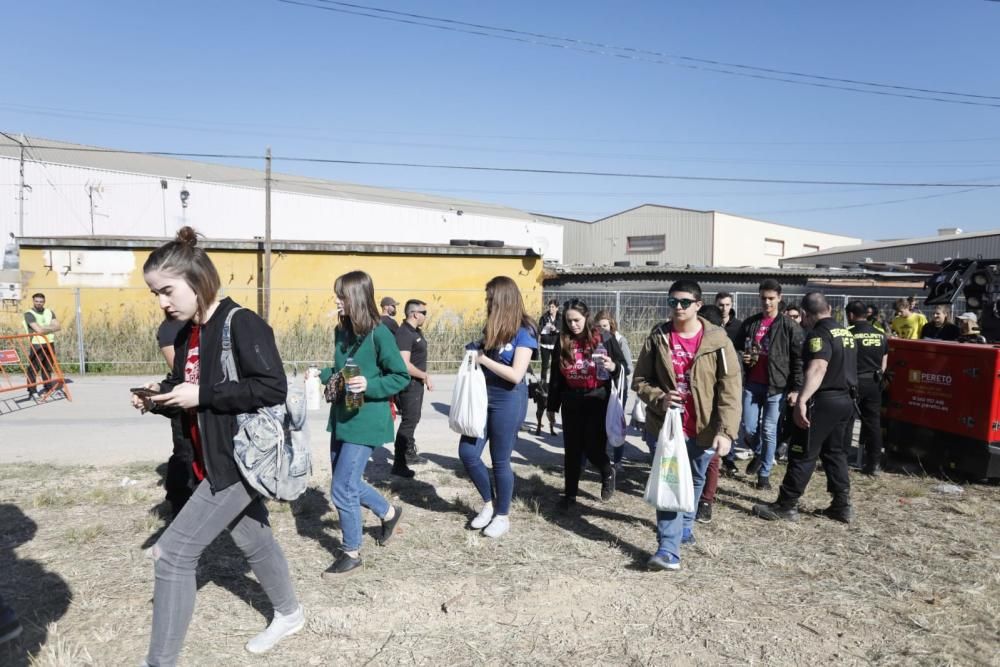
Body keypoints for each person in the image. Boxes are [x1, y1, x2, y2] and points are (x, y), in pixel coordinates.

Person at [132, 227, 303, 664]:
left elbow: (272, 388)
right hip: (209, 461)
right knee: (253, 538)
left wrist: (202, 395)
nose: (161, 302)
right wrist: (157, 396)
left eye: (166, 291)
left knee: (172, 555)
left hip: (239, 462)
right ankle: (290, 614)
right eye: (155, 294)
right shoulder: (190, 331)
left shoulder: (241, 323)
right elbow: (186, 387)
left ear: (197, 280)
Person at [633, 280, 741, 571]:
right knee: (671, 484)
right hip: (667, 427)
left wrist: (727, 431)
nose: (677, 308)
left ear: (697, 304)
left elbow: (730, 390)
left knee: (694, 480)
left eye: (683, 302)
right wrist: (659, 398)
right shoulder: (658, 336)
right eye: (672, 302)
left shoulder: (718, 341)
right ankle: (668, 550)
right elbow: (639, 380)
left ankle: (685, 528)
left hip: (704, 427)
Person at [321, 271, 409, 574]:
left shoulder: (380, 334)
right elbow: (338, 368)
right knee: (347, 483)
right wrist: (319, 375)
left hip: (367, 421)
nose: (336, 301)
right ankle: (388, 512)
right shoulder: (342, 331)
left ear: (356, 297)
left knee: (342, 487)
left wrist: (368, 385)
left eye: (341, 296)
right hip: (342, 417)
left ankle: (352, 551)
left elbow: (400, 376)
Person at [753, 292, 858, 524]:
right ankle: (842, 504)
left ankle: (786, 505)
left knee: (802, 452)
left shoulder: (818, 335)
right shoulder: (844, 332)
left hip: (823, 401)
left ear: (804, 314)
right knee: (835, 453)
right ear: (829, 308)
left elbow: (818, 367)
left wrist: (802, 400)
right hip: (845, 399)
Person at [458, 276, 538, 538]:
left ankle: (502, 516)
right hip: (483, 397)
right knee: (468, 453)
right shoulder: (491, 328)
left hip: (509, 400)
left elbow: (516, 375)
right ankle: (488, 504)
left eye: (490, 297)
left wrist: (483, 359)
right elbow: (482, 356)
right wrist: (476, 350)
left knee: (500, 460)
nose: (487, 302)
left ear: (502, 299)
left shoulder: (524, 332)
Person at [548, 301, 627, 506]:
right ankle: (570, 494)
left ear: (586, 318)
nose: (573, 324)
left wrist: (613, 367)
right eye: (569, 321)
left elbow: (623, 366)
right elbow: (556, 376)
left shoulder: (604, 337)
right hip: (571, 399)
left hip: (597, 398)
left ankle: (607, 470)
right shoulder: (563, 340)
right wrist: (551, 406)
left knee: (593, 447)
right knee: (572, 449)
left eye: (577, 320)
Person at [731, 279, 804, 489]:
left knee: (769, 430)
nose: (767, 303)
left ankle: (764, 475)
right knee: (749, 428)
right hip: (753, 383)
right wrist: (743, 357)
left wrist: (796, 389)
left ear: (779, 298)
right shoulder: (751, 323)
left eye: (771, 298)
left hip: (777, 386)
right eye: (763, 298)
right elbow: (735, 348)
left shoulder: (790, 327)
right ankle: (762, 452)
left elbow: (799, 360)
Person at [157, 315, 195, 516]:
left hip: (201, 397)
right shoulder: (170, 328)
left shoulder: (201, 322)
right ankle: (179, 505)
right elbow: (180, 370)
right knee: (184, 454)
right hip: (184, 397)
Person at [846, 300, 888, 476]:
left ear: (850, 315)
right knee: (873, 424)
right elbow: (884, 363)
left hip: (853, 382)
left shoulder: (848, 333)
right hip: (874, 382)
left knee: (846, 422)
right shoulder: (880, 334)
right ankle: (874, 464)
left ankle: (841, 460)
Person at [391, 299, 431, 478]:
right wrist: (424, 376)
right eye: (424, 313)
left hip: (416, 384)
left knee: (413, 419)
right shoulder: (404, 333)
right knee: (408, 421)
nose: (425, 316)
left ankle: (409, 453)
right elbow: (404, 364)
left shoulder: (414, 331)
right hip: (409, 384)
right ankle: (399, 464)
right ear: (414, 314)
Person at [693, 304, 723, 524]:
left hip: (713, 414)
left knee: (712, 459)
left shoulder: (721, 345)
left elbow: (730, 386)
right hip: (690, 415)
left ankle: (706, 500)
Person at [595, 309, 633, 472]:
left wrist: (613, 367)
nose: (602, 330)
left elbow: (628, 367)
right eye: (599, 326)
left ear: (611, 325)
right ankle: (600, 459)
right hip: (601, 388)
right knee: (600, 425)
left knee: (616, 423)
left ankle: (618, 461)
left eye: (605, 326)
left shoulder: (619, 340)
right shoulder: (596, 340)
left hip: (618, 388)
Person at [22, 292, 62, 399]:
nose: (39, 303)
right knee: (34, 368)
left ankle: (48, 387)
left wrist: (45, 329)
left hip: (49, 342)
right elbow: (38, 330)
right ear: (33, 301)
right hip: (37, 344)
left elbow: (58, 326)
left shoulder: (49, 312)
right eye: (36, 301)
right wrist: (50, 328)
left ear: (44, 302)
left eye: (41, 301)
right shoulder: (29, 314)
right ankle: (32, 391)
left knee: (48, 367)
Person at [538, 299, 560, 394]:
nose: (551, 309)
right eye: (550, 306)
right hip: (545, 344)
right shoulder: (544, 317)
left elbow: (562, 329)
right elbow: (539, 329)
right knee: (544, 365)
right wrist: (544, 327)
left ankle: (554, 385)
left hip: (555, 345)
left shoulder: (560, 317)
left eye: (553, 307)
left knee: (555, 365)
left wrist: (555, 329)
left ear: (557, 308)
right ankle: (543, 385)